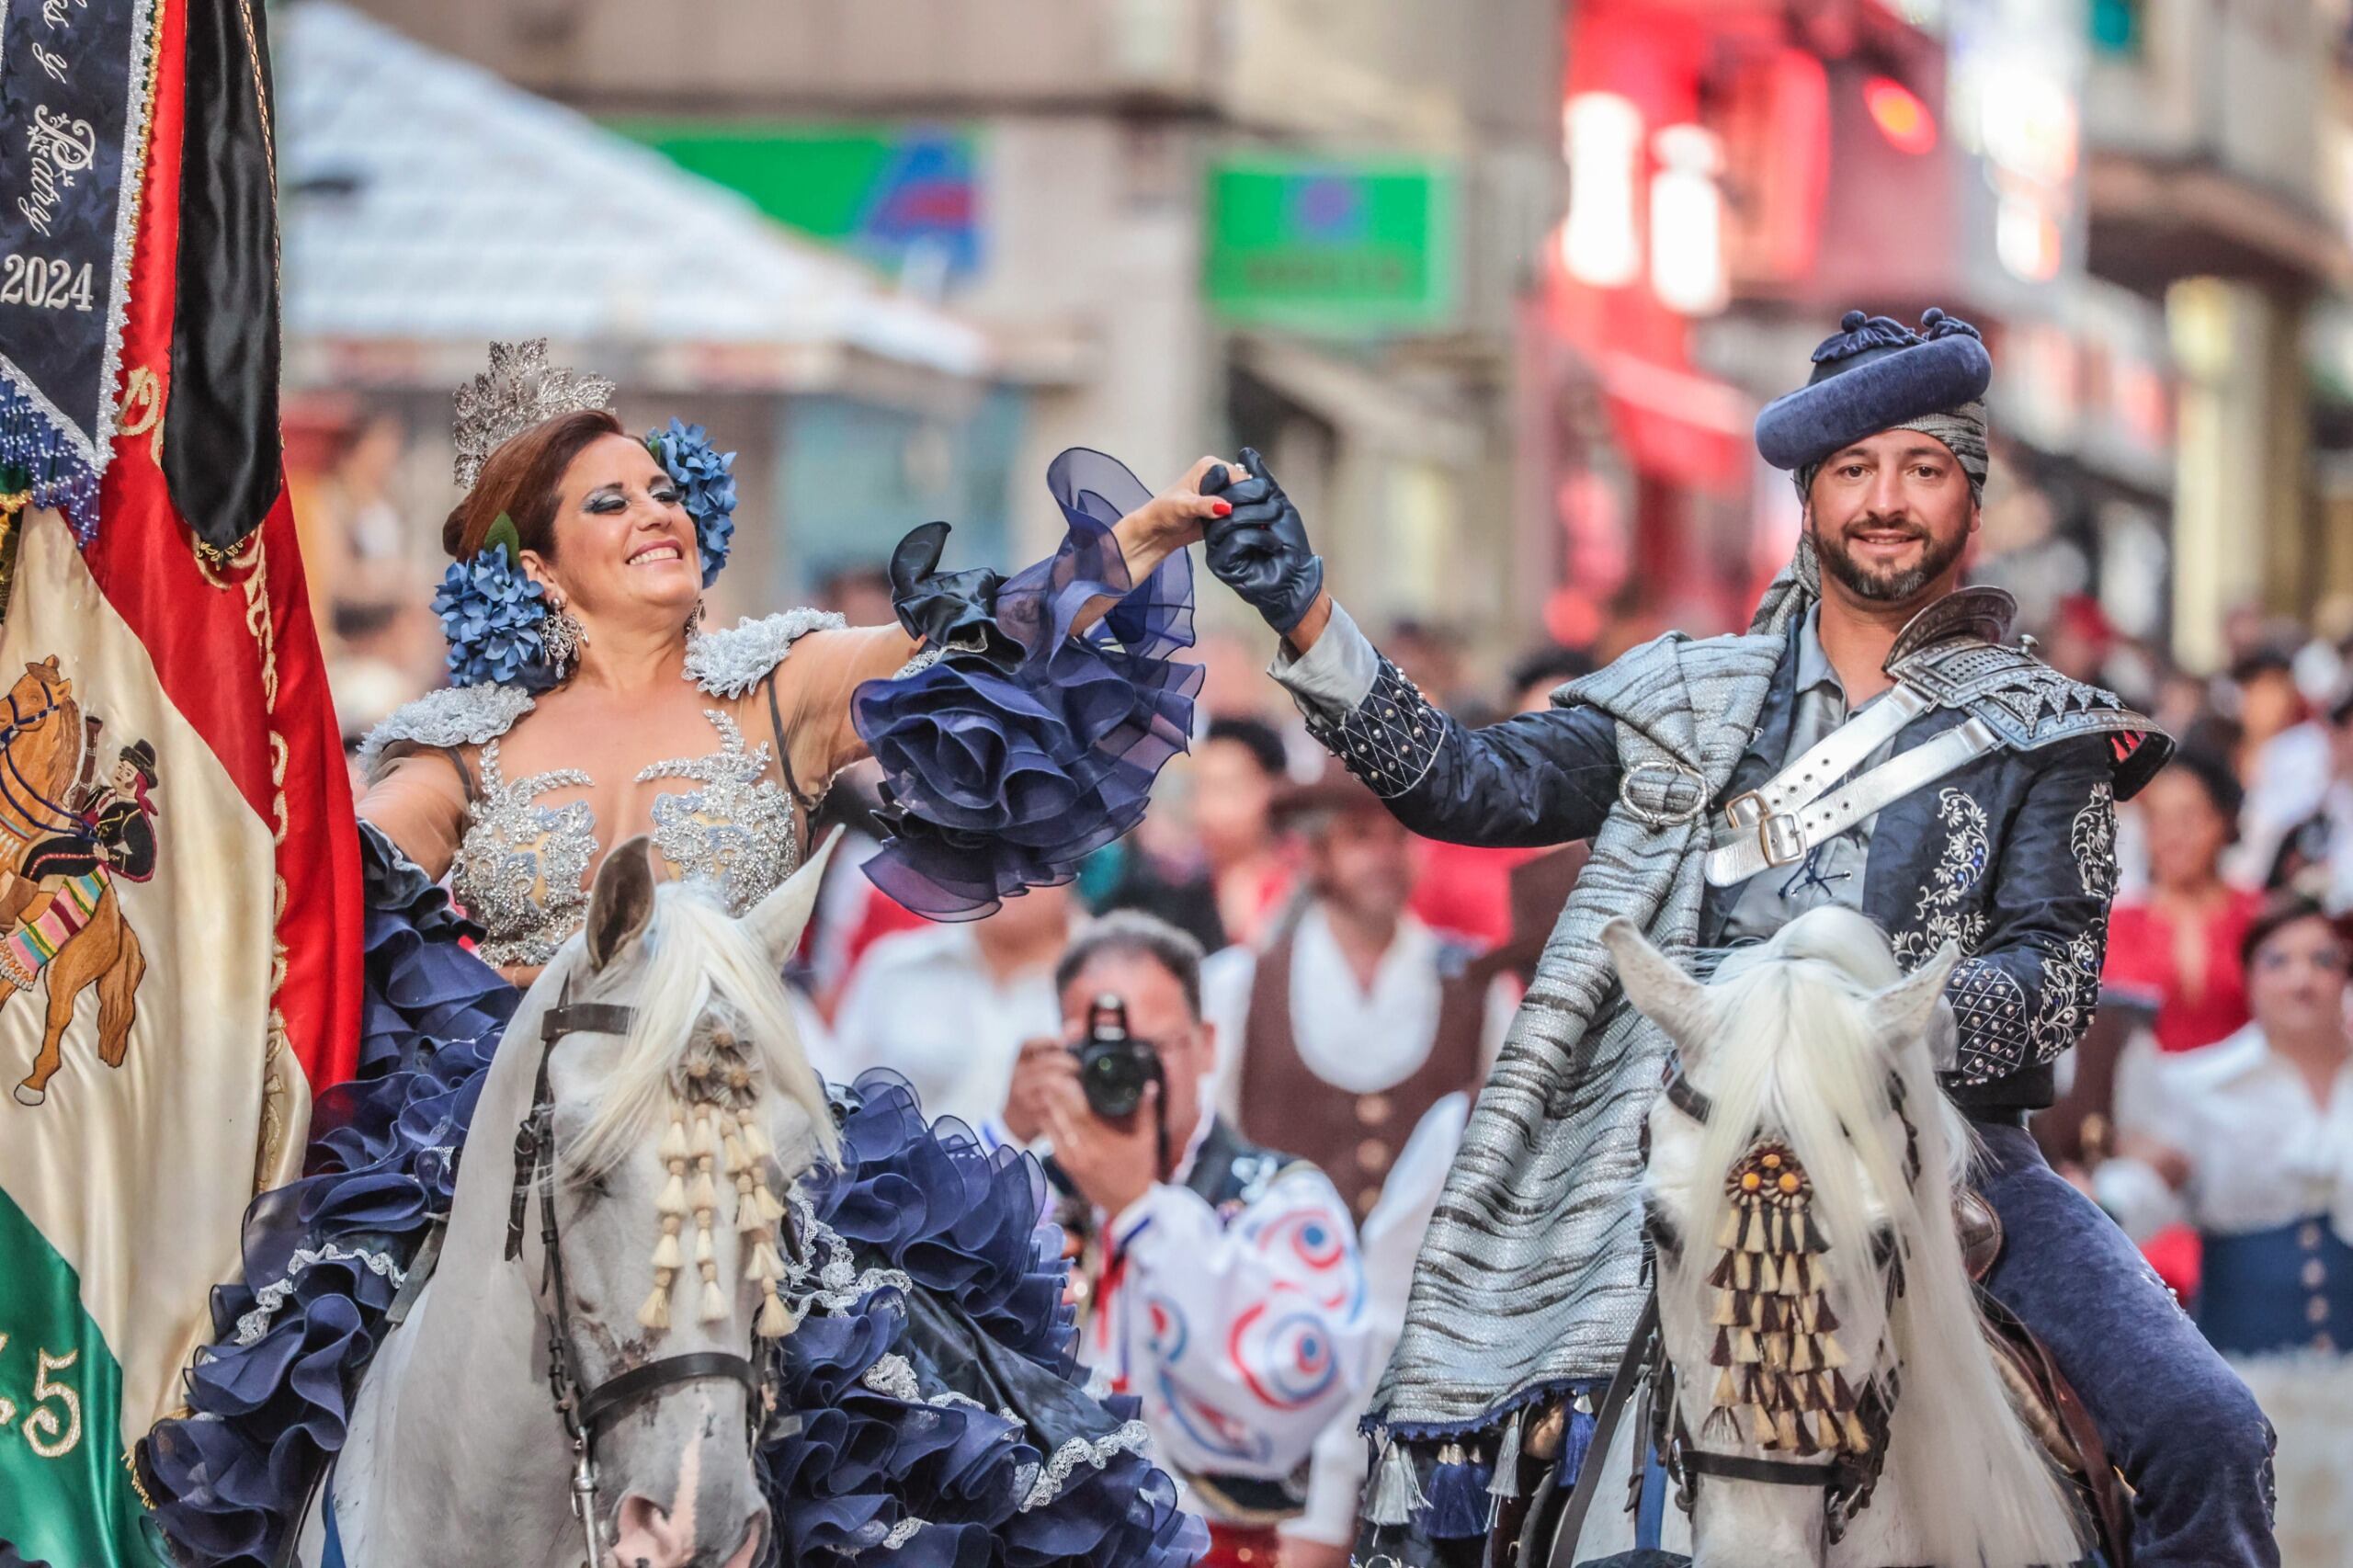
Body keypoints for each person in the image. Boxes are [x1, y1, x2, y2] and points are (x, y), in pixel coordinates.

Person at [1198, 308, 2274, 1566]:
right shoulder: (1682, 696)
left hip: (1952, 1165)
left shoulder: (2046, 731)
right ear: (1810, 497)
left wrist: (1844, 1032)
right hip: (1681, 1145)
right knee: (1471, 1447)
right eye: (1855, 470)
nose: (1887, 499)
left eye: (1922, 468)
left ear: (1966, 500)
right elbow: (1467, 787)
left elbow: (2049, 981)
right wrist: (1315, 622)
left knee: (2213, 1431)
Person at [140, 341, 1224, 1568]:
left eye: (662, 489)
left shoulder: (782, 685)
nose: (653, 512)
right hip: (520, 1147)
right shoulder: (458, 749)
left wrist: (1121, 549)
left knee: (930, 1469)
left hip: (738, 1139)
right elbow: (313, 883)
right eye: (610, 501)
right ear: (539, 567)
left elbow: (987, 646)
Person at [1003, 912, 1371, 1568]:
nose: (1125, 1076)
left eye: (1150, 1049)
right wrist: (1003, 1134)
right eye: (1097, 1052)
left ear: (1205, 1044)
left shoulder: (1279, 1198)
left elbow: (1293, 1383)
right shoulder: (1022, 1196)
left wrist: (1142, 1209)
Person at [2095, 892, 2353, 1565]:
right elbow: (2149, 1196)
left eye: (2324, 960)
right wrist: (2104, 1196)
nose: (2304, 978)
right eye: (2281, 960)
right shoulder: (2196, 1087)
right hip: (2250, 1382)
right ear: (2249, 975)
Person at [1202, 761, 1510, 1224]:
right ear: (1315, 854)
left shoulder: (1479, 985)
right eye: (1362, 836)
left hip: (1428, 1284)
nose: (1386, 856)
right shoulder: (1240, 985)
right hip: (1283, 1280)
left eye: (1400, 837)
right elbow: (1209, 1144)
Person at [828, 881, 1076, 1124]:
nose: (1013, 874)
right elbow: (839, 1099)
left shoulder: (1106, 980)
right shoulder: (895, 968)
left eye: (1034, 853)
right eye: (995, 848)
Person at [2104, 745, 2263, 1052]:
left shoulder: (2260, 917)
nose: (2172, 837)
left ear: (2224, 822)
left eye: (2188, 818)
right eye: (2157, 821)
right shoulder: (2112, 929)